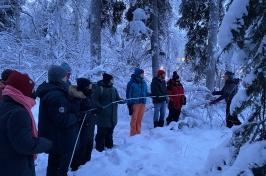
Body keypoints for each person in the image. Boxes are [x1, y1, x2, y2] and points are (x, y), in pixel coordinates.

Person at [0, 71, 52, 176]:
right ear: (22, 91)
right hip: (16, 167)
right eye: (31, 90)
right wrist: (46, 143)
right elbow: (26, 145)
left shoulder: (4, 105)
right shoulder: (19, 113)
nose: (33, 93)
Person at [36, 65, 80, 176]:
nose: (67, 79)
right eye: (65, 77)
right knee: (60, 168)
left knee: (54, 165)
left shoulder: (54, 91)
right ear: (59, 78)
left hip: (56, 137)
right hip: (61, 139)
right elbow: (62, 119)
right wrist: (76, 116)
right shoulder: (56, 95)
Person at [70, 78, 97, 171]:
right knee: (80, 146)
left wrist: (96, 109)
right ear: (84, 86)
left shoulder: (89, 94)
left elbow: (92, 105)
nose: (91, 86)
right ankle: (76, 167)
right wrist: (89, 112)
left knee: (88, 144)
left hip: (90, 124)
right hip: (82, 126)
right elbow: (76, 113)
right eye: (89, 85)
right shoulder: (77, 97)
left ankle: (85, 165)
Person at [93, 73, 124, 152]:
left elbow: (117, 98)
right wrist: (100, 106)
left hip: (112, 117)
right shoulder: (99, 89)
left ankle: (109, 146)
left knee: (110, 133)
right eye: (111, 79)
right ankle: (99, 149)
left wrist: (122, 101)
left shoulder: (113, 89)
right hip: (103, 117)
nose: (112, 81)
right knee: (101, 133)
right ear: (107, 80)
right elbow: (94, 100)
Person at [127, 68, 149, 136]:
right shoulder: (131, 83)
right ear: (138, 74)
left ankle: (138, 133)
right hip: (135, 103)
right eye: (142, 74)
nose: (143, 75)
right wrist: (129, 104)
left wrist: (151, 94)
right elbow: (128, 94)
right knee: (134, 119)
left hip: (142, 103)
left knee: (139, 119)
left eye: (143, 73)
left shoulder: (144, 83)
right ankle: (133, 133)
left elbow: (145, 92)